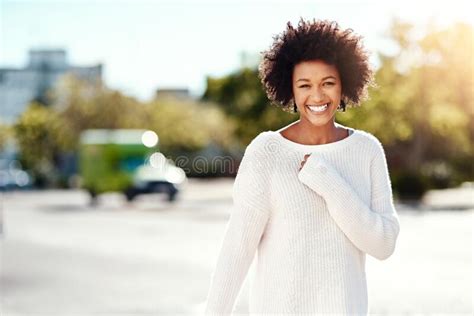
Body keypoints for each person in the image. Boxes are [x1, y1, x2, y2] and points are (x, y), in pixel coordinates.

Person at [204, 18, 400, 315]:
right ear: (291, 90)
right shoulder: (267, 152)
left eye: (328, 83)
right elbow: (237, 249)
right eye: (305, 85)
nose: (317, 96)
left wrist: (328, 181)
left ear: (344, 83)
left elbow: (383, 244)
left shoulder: (366, 150)